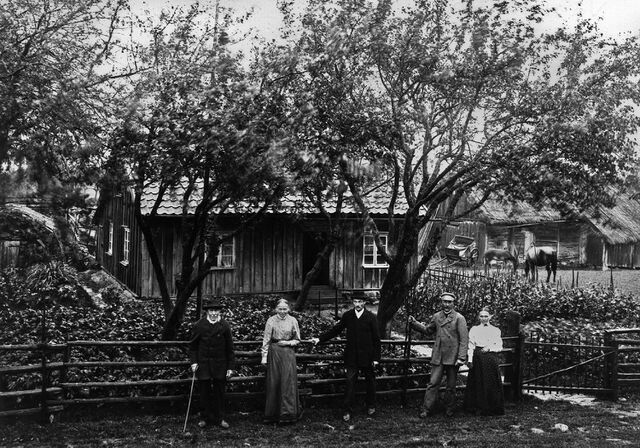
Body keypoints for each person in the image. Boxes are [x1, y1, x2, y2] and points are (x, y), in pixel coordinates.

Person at [311, 293, 381, 422]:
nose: (358, 304)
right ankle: (347, 410)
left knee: (370, 382)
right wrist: (320, 339)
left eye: (360, 301)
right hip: (352, 357)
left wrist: (376, 358)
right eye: (355, 301)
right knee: (350, 383)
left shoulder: (371, 317)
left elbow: (376, 339)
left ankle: (371, 405)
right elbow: (336, 330)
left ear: (364, 302)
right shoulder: (348, 316)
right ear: (353, 302)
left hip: (367, 356)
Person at [408, 292, 468, 418]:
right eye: (444, 301)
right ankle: (427, 409)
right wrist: (414, 323)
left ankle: (449, 408)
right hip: (439, 355)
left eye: (449, 302)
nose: (446, 304)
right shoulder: (436, 316)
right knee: (433, 383)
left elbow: (464, 340)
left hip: (453, 356)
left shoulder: (459, 318)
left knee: (451, 385)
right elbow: (428, 330)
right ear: (441, 302)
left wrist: (461, 357)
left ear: (453, 303)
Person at [189, 298, 235, 429]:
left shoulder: (224, 325)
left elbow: (230, 348)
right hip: (203, 364)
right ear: (207, 312)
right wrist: (194, 362)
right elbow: (193, 347)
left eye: (216, 311)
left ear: (220, 312)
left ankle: (220, 418)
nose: (214, 313)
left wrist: (230, 367)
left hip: (220, 364)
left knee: (219, 392)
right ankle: (205, 418)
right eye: (211, 310)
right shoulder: (199, 325)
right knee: (204, 392)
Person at [261, 298, 303, 424]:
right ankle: (273, 414)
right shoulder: (271, 320)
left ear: (288, 309)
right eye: (280, 309)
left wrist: (288, 343)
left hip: (288, 353)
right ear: (276, 309)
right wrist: (264, 357)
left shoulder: (293, 320)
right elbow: (266, 339)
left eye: (285, 309)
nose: (283, 311)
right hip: (275, 353)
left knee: (288, 382)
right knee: (275, 381)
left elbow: (298, 339)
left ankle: (288, 414)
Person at [463, 307, 505, 415]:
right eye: (481, 316)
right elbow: (471, 345)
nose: (484, 318)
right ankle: (477, 407)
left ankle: (491, 407)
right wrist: (470, 359)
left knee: (490, 381)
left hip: (490, 358)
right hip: (478, 357)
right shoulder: (474, 329)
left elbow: (499, 346)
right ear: (479, 317)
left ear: (490, 317)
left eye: (486, 316)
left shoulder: (495, 330)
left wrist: (489, 348)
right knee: (478, 381)